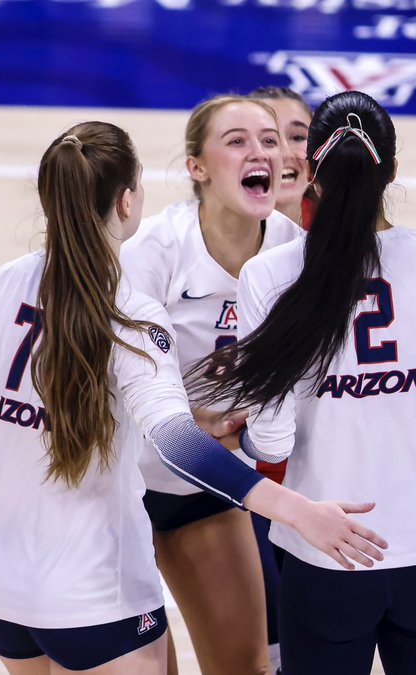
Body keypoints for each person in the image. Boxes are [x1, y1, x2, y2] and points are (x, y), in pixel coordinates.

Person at [0, 120, 387, 675]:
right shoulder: (130, 317)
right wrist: (297, 511)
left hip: (6, 606)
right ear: (127, 201)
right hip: (99, 605)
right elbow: (179, 446)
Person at [191, 90, 416, 675]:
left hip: (323, 554)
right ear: (392, 172)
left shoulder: (270, 275)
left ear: (308, 173)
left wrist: (243, 440)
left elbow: (273, 443)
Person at [119, 95, 303, 675]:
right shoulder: (150, 252)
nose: (261, 152)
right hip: (114, 489)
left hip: (205, 488)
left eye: (270, 140)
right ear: (197, 167)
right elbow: (97, 376)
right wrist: (184, 420)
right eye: (238, 140)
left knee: (244, 668)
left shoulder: (293, 250)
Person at [249, 86, 316, 231]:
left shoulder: (346, 229)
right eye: (268, 140)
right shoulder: (201, 234)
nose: (285, 153)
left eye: (298, 137)